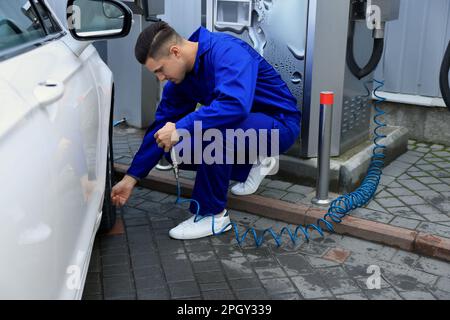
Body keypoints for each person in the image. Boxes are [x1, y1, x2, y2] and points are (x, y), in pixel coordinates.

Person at [111, 21, 301, 240]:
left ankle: (213, 216)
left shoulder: (226, 51)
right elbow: (161, 127)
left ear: (175, 52)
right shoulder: (179, 82)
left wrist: (181, 127)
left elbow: (235, 106)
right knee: (171, 148)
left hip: (280, 124)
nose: (160, 78)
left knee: (217, 134)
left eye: (160, 70)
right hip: (246, 130)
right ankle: (251, 163)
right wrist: (131, 177)